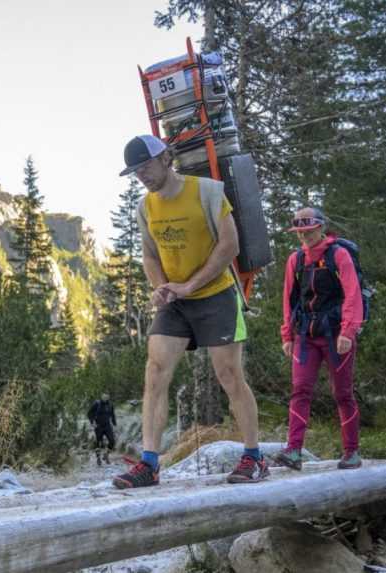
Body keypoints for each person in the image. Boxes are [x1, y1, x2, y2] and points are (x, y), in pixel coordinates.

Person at [112, 135, 268, 489]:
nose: (142, 176)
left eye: (146, 166)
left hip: (216, 294)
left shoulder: (208, 191)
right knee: (154, 371)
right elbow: (150, 255)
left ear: (166, 158)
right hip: (176, 301)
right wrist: (161, 287)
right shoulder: (145, 207)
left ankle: (254, 456)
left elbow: (230, 245)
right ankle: (149, 464)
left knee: (229, 374)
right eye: (136, 171)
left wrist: (191, 285)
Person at [273, 207, 364, 471]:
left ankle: (351, 452)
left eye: (309, 230)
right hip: (305, 336)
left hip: (336, 336)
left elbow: (352, 295)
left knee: (343, 393)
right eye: (300, 232)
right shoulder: (295, 260)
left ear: (320, 228)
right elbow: (289, 299)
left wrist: (348, 332)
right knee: (299, 390)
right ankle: (294, 451)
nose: (304, 236)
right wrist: (287, 334)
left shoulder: (339, 255)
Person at [88, 393, 117, 465]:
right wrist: (92, 422)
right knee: (98, 442)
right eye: (104, 396)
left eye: (107, 397)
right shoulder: (97, 403)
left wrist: (114, 424)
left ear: (109, 397)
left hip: (107, 425)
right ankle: (98, 458)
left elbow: (112, 415)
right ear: (101, 397)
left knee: (112, 441)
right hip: (98, 425)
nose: (105, 398)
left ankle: (106, 455)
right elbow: (89, 413)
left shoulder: (110, 405)